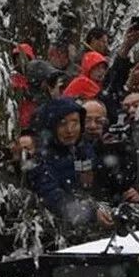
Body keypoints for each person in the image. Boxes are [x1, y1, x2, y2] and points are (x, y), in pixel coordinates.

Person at [29, 98, 112, 228]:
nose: (70, 130)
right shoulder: (39, 157)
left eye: (75, 122)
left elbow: (101, 180)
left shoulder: (83, 148)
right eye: (62, 124)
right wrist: (90, 213)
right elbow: (52, 197)